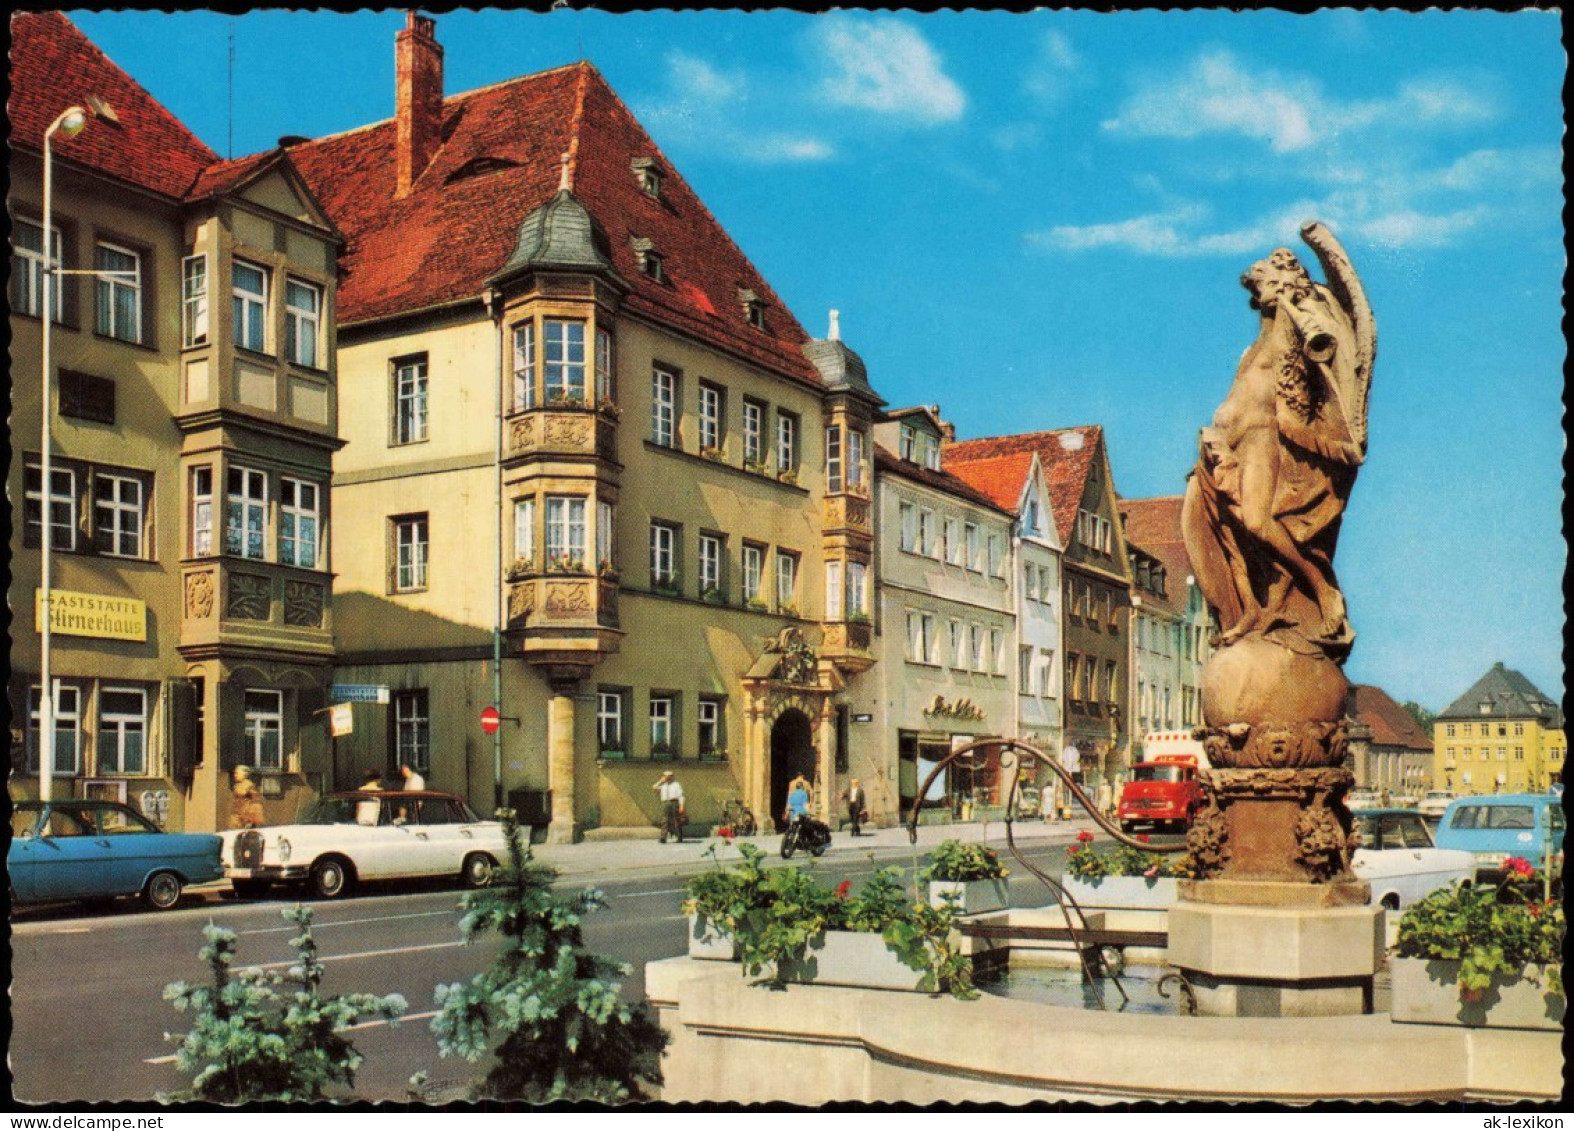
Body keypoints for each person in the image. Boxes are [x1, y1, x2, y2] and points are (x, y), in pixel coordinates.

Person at [653, 770, 685, 844]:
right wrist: (661, 781)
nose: (667, 778)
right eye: (665, 776)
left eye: (669, 776)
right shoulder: (663, 786)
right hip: (666, 803)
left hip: (674, 802)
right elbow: (654, 787)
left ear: (672, 777)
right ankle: (663, 837)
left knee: (676, 820)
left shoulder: (676, 784)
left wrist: (681, 806)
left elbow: (681, 796)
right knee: (665, 820)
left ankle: (679, 837)